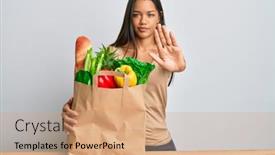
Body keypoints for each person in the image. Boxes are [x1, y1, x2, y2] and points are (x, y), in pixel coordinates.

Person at [62, 0, 186, 151]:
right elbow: (97, 100)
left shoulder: (167, 55)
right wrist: (70, 109)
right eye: (136, 15)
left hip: (158, 143)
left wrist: (181, 66)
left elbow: (178, 63)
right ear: (129, 17)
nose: (143, 21)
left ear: (159, 17)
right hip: (119, 145)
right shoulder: (113, 54)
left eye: (150, 14)